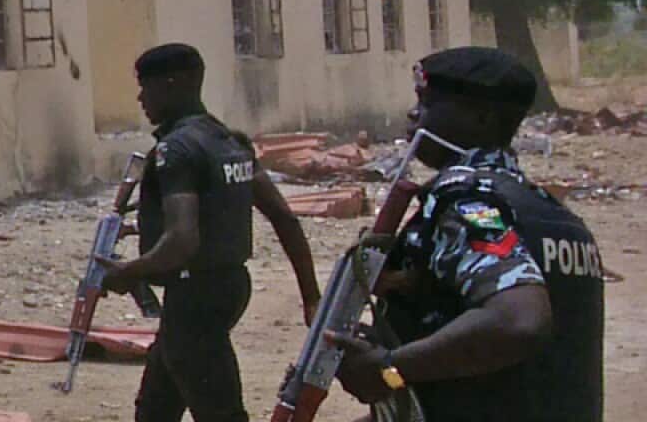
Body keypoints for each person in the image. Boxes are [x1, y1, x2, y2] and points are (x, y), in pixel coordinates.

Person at [328, 46, 604, 422]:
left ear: (481, 118)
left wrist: (389, 369)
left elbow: (519, 322)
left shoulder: (467, 202)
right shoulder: (551, 213)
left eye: (428, 104)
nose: (414, 115)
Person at [98, 43, 321, 422]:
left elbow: (182, 240)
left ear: (173, 84)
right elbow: (284, 218)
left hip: (195, 296)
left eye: (146, 86)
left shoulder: (178, 149)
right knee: (155, 408)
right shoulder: (228, 141)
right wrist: (310, 295)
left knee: (219, 411)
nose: (140, 98)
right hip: (227, 285)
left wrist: (129, 272)